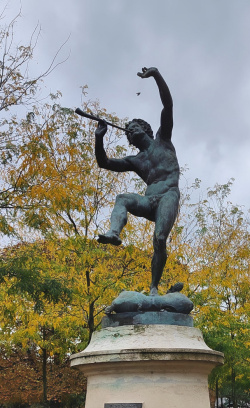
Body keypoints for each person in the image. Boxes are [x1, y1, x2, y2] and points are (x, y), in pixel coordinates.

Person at [94, 67, 180, 295]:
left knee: (160, 238)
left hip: (169, 195)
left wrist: (156, 75)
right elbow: (104, 163)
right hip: (149, 200)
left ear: (146, 129)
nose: (131, 133)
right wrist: (98, 139)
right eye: (128, 133)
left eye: (134, 129)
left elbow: (168, 105)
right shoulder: (135, 160)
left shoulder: (163, 139)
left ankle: (153, 287)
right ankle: (114, 233)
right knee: (122, 198)